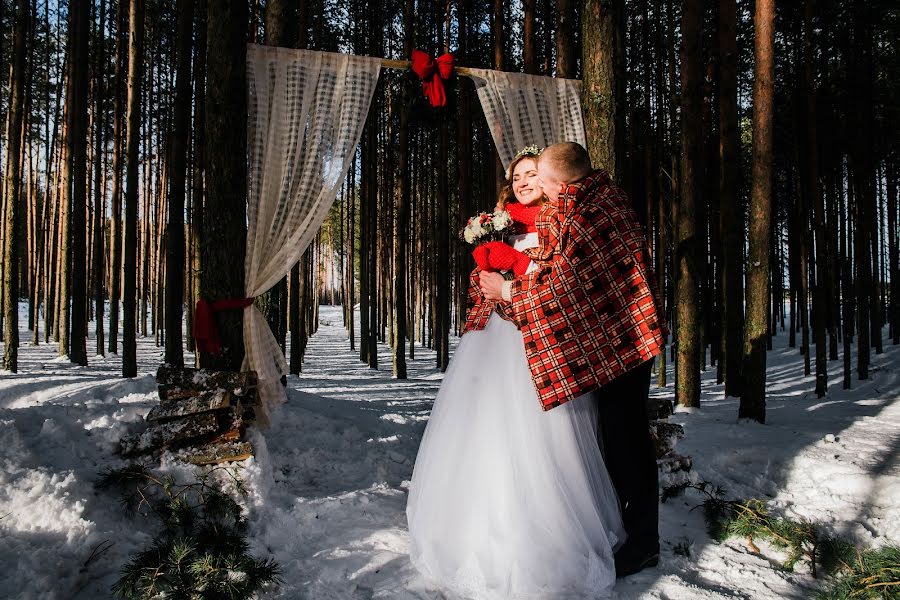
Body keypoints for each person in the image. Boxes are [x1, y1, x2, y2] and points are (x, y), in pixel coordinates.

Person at [406, 148, 625, 599]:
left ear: (546, 180)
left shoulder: (557, 218)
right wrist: (486, 264)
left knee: (541, 435)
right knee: (484, 427)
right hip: (492, 337)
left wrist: (516, 265)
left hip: (538, 340)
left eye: (532, 174)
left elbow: (559, 277)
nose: (524, 181)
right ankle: (473, 526)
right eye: (517, 175)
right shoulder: (498, 218)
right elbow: (481, 286)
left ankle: (548, 531)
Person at [479, 141, 667, 577]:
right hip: (613, 341)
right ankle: (629, 531)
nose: (536, 186)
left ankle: (644, 544)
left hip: (624, 343)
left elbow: (564, 284)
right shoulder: (591, 200)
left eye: (541, 178)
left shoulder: (589, 215)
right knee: (614, 441)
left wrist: (507, 291)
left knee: (627, 443)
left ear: (559, 181)